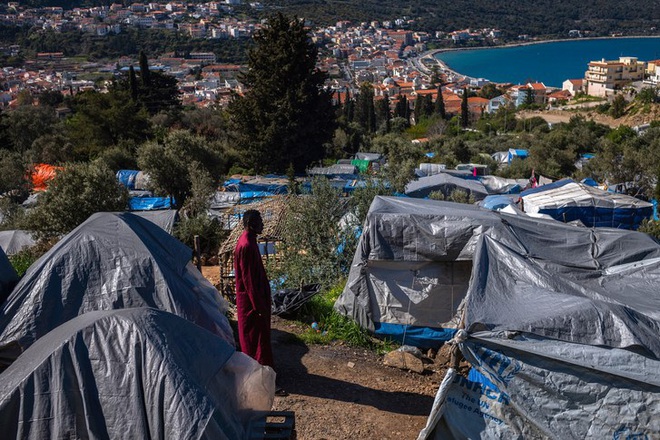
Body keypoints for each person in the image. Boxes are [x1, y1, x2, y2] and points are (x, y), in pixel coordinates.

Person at [234, 210, 287, 396]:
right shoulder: (246, 245)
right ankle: (263, 383)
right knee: (257, 344)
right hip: (252, 305)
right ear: (251, 223)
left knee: (257, 342)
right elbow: (249, 281)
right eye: (260, 221)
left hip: (253, 303)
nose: (263, 224)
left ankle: (262, 379)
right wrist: (258, 307)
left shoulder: (248, 241)